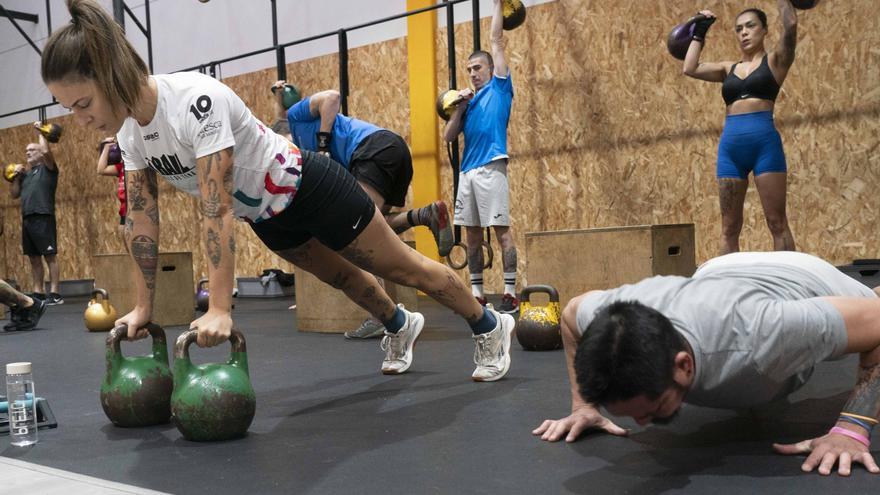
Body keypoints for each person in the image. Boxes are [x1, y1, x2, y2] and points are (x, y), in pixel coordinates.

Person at [42, 0, 514, 382]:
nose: (81, 120)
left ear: (111, 75)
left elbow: (215, 207)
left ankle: (490, 324)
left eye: (82, 103)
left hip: (311, 186)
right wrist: (144, 307)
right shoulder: (129, 134)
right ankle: (399, 324)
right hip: (268, 215)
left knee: (403, 267)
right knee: (342, 279)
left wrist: (222, 309)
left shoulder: (193, 102)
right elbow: (142, 219)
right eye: (70, 108)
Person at [533, 251, 880, 476]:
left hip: (803, 276)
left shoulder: (765, 334)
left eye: (652, 408)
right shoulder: (611, 312)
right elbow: (570, 314)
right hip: (719, 267)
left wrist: (853, 428)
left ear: (684, 365)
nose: (640, 423)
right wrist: (584, 406)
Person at [286, 85, 454, 338]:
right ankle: (421, 216)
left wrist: (323, 144)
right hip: (393, 151)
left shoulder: (295, 118)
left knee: (358, 234)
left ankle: (380, 317)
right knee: (375, 232)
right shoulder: (302, 161)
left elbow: (331, 97)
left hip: (372, 148)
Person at [682, 2, 798, 255]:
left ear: (765, 30)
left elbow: (790, 25)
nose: (743, 32)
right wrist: (699, 32)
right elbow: (689, 67)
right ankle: (727, 290)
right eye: (738, 29)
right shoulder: (728, 68)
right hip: (731, 149)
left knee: (777, 223)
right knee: (729, 227)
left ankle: (790, 287)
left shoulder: (776, 61)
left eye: (750, 26)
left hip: (765, 146)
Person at [443, 0, 519, 314]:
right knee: (472, 236)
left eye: (478, 68)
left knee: (502, 232)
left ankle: (511, 292)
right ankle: (476, 293)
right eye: (470, 70)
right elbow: (448, 137)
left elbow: (496, 40)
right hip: (468, 174)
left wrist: (498, 5)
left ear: (490, 69)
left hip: (491, 167)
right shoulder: (468, 104)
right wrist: (459, 106)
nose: (473, 74)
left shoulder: (500, 87)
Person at [9, 121, 64, 305]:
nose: (28, 153)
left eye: (32, 150)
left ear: (40, 152)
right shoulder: (25, 175)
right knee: (34, 258)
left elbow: (47, 152)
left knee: (50, 256)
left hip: (43, 216)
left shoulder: (49, 170)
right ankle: (38, 292)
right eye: (26, 151)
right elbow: (14, 194)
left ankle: (55, 293)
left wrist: (40, 131)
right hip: (27, 219)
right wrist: (15, 177)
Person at [96, 136, 127, 249]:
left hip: (136, 211)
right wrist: (106, 147)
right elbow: (101, 169)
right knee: (129, 250)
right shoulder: (120, 168)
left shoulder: (131, 165)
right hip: (124, 213)